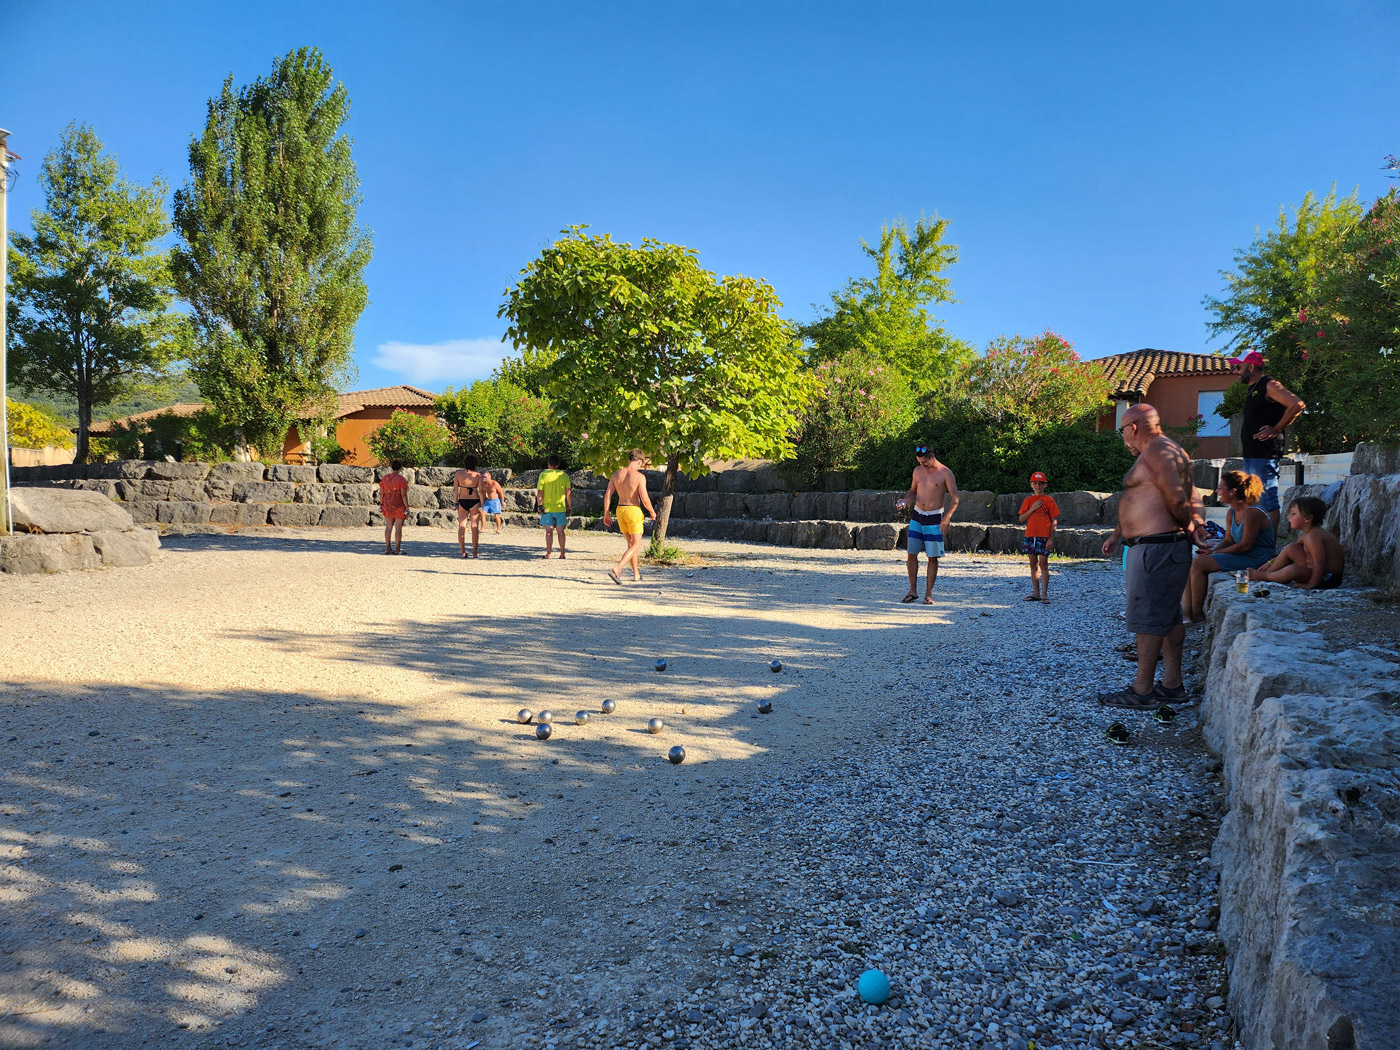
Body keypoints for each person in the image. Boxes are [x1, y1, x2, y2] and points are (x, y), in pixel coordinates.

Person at [1098, 404, 1211, 709]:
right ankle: (1172, 685)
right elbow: (1193, 497)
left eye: (1122, 430)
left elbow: (1178, 498)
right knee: (1168, 616)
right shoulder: (1172, 451)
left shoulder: (1157, 451)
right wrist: (1118, 532)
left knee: (1148, 619)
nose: (1123, 437)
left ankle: (1142, 690)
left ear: (1133, 427)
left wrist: (1190, 527)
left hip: (1157, 548)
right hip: (1160, 547)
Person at [1181, 470, 1274, 623]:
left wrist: (1214, 553)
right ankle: (1187, 613)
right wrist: (1210, 551)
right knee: (1196, 560)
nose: (1217, 491)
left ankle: (1197, 614)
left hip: (1257, 557)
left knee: (1200, 564)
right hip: (1243, 554)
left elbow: (1245, 545)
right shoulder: (1231, 512)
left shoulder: (1252, 513)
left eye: (1220, 488)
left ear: (1232, 492)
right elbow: (1229, 540)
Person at [1229, 349, 1306, 534]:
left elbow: (1297, 404)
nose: (1235, 371)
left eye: (1238, 367)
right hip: (1252, 454)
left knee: (1266, 500)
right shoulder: (1253, 388)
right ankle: (1257, 541)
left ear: (1251, 367)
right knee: (1254, 500)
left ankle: (1268, 546)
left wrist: (1276, 428)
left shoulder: (1269, 384)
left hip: (1264, 453)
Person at [895, 444, 960, 604]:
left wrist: (946, 518)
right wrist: (905, 501)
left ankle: (928, 594)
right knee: (911, 554)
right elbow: (912, 491)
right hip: (917, 516)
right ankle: (912, 591)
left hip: (934, 517)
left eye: (924, 462)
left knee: (932, 557)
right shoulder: (917, 471)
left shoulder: (945, 473)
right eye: (919, 463)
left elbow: (955, 498)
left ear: (931, 457)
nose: (922, 465)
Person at [1247, 497, 1344, 589]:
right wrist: (1269, 563)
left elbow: (1319, 562)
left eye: (1293, 514)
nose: (1288, 517)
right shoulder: (1307, 534)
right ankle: (1268, 572)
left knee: (1292, 570)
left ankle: (1266, 576)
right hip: (1313, 571)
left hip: (1327, 577)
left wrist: (1311, 584)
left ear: (1308, 518)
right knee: (1291, 548)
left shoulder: (1313, 537)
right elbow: (1289, 552)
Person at [603, 450, 655, 584]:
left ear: (629, 459)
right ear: (640, 462)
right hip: (633, 510)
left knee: (631, 544)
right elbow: (644, 498)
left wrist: (606, 513)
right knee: (636, 544)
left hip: (620, 510)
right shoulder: (639, 477)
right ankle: (618, 568)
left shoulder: (616, 474)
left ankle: (636, 574)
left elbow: (608, 494)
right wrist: (652, 511)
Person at [1018, 471, 1059, 602]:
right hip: (1030, 535)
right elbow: (1021, 519)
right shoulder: (1028, 500)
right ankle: (1036, 592)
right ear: (1031, 485)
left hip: (1044, 536)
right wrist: (1033, 508)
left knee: (1043, 563)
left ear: (1045, 485)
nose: (1037, 486)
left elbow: (1054, 520)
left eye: (1040, 483)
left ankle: (1044, 594)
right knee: (1033, 564)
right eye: (1035, 483)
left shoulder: (1049, 500)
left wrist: (1051, 538)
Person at [535, 455, 573, 559]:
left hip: (547, 508)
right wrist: (569, 506)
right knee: (561, 532)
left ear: (548, 464)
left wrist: (539, 505)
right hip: (560, 507)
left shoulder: (543, 475)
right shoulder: (564, 475)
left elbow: (540, 492)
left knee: (549, 532)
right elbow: (568, 493)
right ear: (558, 464)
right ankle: (562, 554)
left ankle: (549, 553)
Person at [453, 454, 486, 559]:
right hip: (474, 501)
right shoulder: (478, 476)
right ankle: (475, 552)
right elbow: (481, 491)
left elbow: (455, 490)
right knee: (474, 526)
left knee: (462, 526)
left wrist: (455, 502)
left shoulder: (458, 474)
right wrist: (482, 504)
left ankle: (462, 552)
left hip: (462, 500)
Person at [379, 459, 409, 555]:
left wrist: (381, 503)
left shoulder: (385, 478)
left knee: (388, 527)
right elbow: (403, 494)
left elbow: (381, 493)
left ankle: (388, 548)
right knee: (398, 528)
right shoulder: (401, 480)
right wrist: (407, 507)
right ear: (400, 468)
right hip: (399, 505)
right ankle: (397, 549)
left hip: (387, 504)